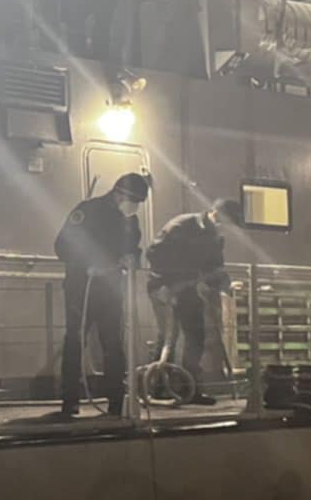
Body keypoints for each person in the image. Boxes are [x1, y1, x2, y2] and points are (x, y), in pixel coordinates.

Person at [54, 172, 151, 418]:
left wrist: (133, 259)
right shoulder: (87, 211)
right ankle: (69, 400)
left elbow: (134, 249)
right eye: (134, 201)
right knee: (75, 341)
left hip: (110, 289)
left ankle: (116, 401)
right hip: (81, 287)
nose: (135, 207)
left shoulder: (129, 221)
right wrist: (89, 263)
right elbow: (63, 246)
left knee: (113, 344)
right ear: (119, 194)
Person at [146, 199, 242, 405]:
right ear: (215, 214)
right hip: (164, 287)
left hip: (188, 288)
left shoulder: (216, 238)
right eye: (226, 223)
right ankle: (158, 388)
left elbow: (215, 267)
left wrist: (224, 283)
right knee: (168, 337)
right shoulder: (182, 226)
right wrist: (164, 284)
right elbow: (154, 253)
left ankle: (189, 389)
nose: (226, 229)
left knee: (196, 335)